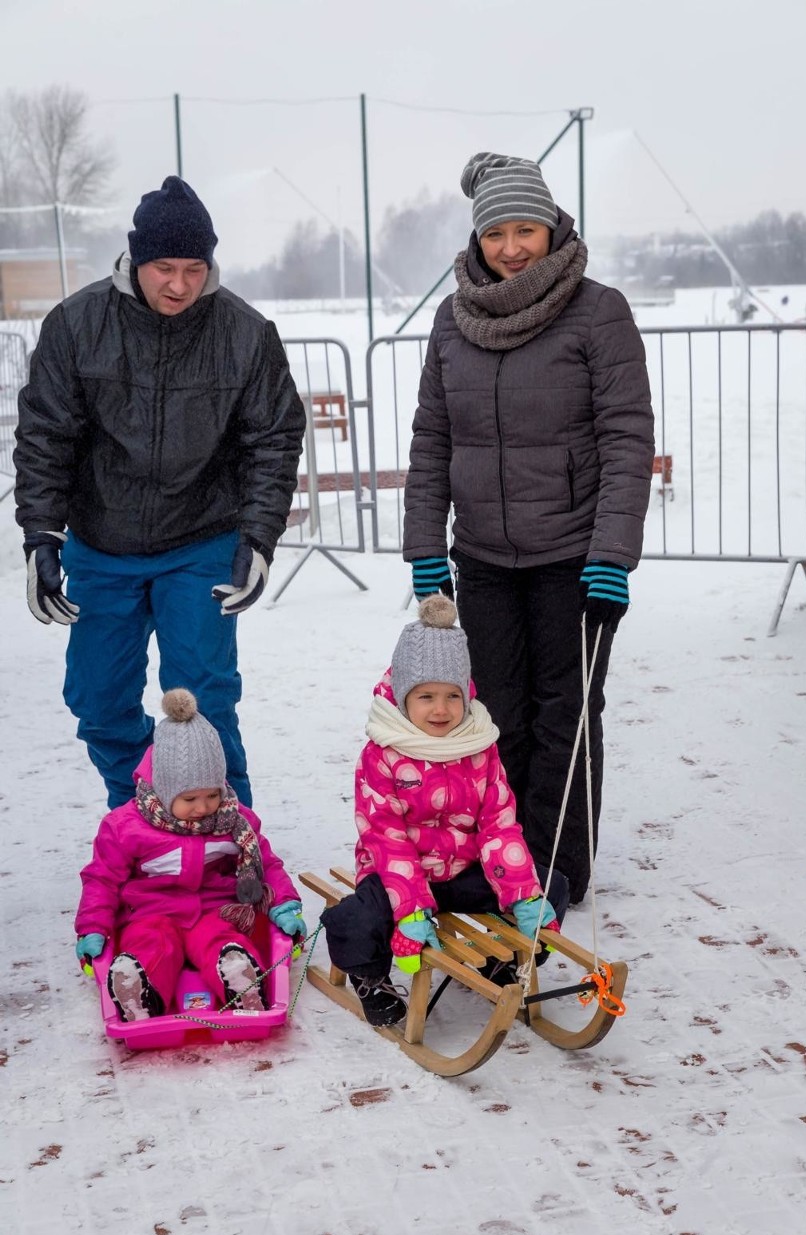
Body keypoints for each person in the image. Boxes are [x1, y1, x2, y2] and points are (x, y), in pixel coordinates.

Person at [404, 152, 655, 905]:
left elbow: (625, 437)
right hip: (480, 555)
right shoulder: (454, 319)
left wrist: (612, 554)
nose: (511, 247)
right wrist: (424, 548)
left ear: (551, 227)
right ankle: (503, 861)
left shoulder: (597, 310)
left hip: (574, 556)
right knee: (494, 715)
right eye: (496, 234)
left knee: (566, 715)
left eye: (525, 230)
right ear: (476, 239)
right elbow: (432, 441)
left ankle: (557, 868)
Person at [14, 176, 306, 810]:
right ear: (135, 260)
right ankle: (142, 817)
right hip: (102, 543)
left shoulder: (245, 333)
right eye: (164, 267)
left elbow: (275, 440)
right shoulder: (76, 324)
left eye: (195, 268)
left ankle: (234, 847)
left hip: (201, 541)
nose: (180, 284)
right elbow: (45, 436)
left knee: (203, 702)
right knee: (97, 699)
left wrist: (257, 539)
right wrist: (41, 537)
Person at [321, 594, 569, 1027]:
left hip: (463, 870)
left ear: (467, 696)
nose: (440, 709)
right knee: (357, 917)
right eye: (426, 696)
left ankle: (505, 960)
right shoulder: (382, 753)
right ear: (403, 698)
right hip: (396, 873)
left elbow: (499, 824)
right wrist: (412, 908)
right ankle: (370, 977)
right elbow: (385, 835)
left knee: (553, 885)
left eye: (452, 696)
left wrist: (524, 894)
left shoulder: (479, 745)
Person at [74, 689, 307, 1022]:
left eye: (213, 794)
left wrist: (284, 903)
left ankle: (239, 979)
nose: (203, 807)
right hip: (151, 913)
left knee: (221, 938)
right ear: (164, 791)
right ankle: (139, 990)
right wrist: (93, 927)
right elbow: (102, 879)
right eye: (190, 798)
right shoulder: (126, 827)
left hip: (216, 908)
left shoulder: (233, 820)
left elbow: (265, 862)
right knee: (151, 944)